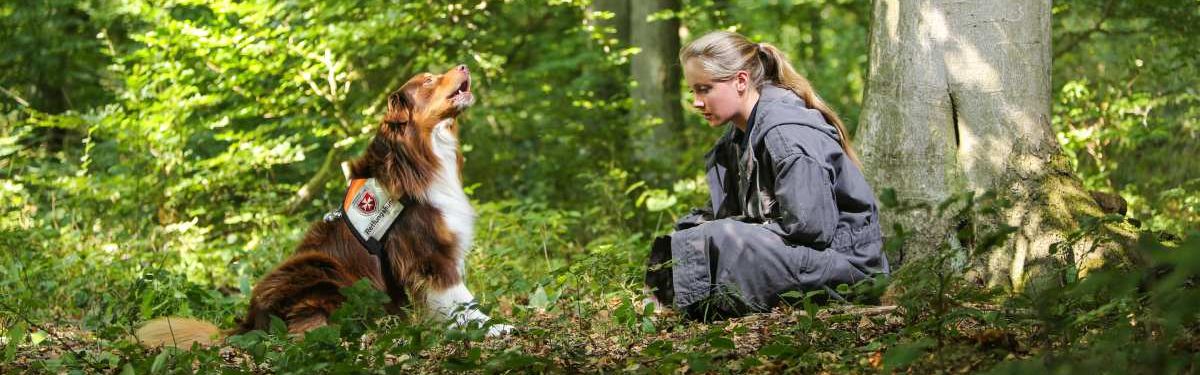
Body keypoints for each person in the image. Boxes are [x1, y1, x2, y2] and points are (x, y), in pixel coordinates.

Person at [644, 30, 890, 320]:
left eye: (704, 89)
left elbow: (813, 230)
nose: (696, 102)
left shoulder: (785, 133)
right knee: (690, 231)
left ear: (740, 81)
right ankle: (660, 309)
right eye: (692, 91)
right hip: (808, 258)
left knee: (719, 237)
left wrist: (733, 231)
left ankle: (681, 313)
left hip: (847, 267)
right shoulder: (738, 136)